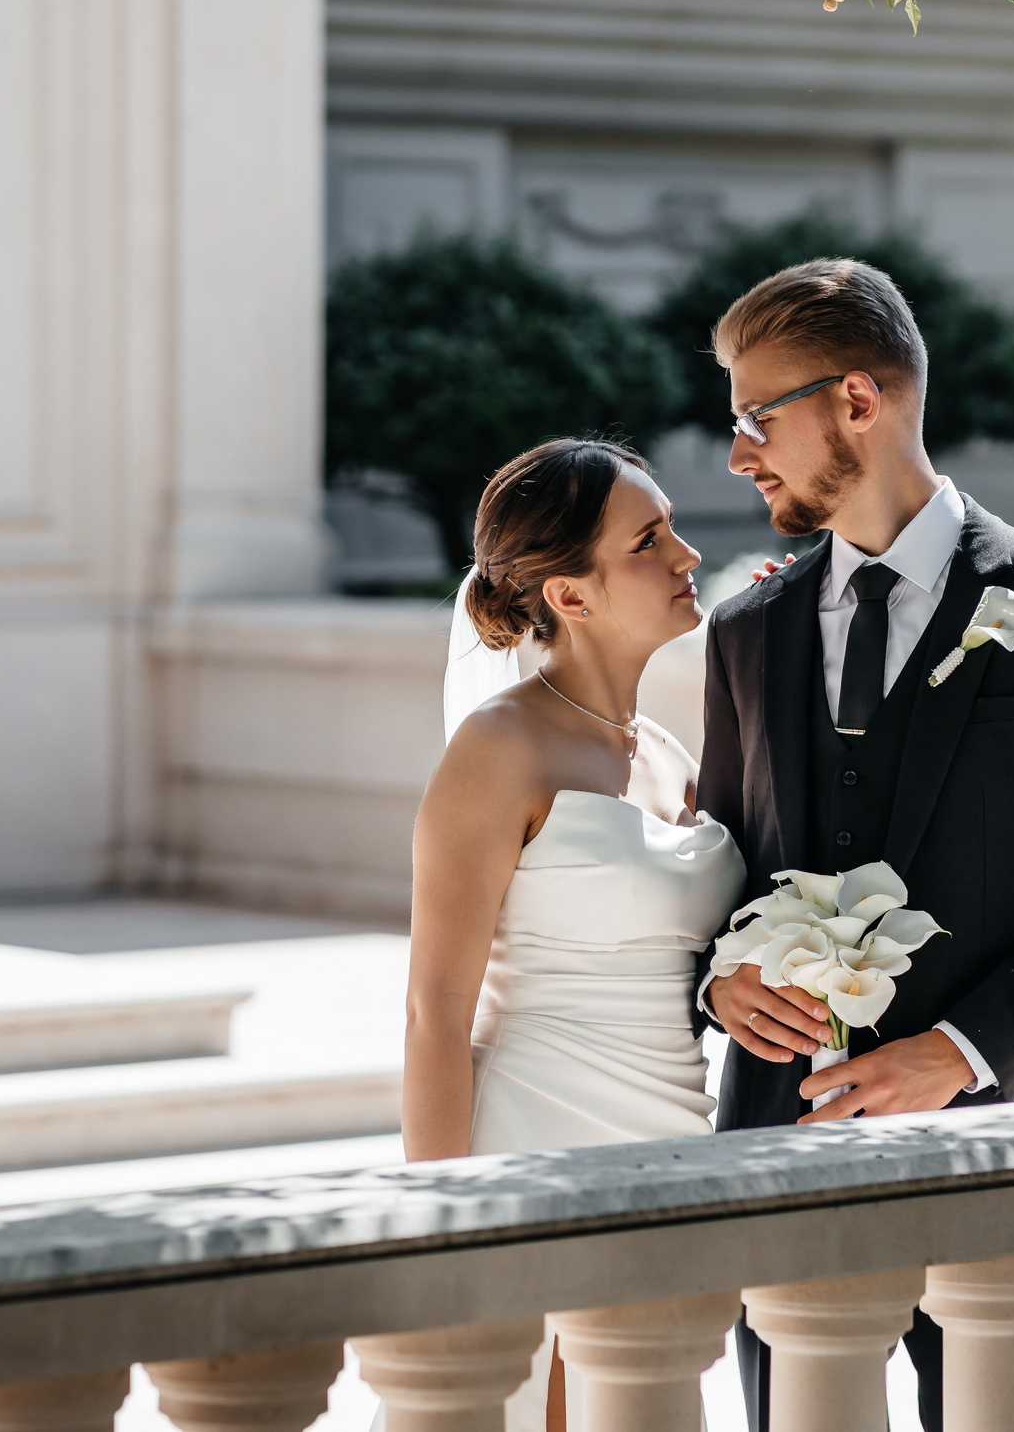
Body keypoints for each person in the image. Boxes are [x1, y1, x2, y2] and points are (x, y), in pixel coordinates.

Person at [697, 259, 1014, 1432]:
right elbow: (716, 862)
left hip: (1001, 1133)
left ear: (857, 402)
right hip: (782, 1133)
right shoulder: (747, 630)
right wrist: (721, 980)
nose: (737, 455)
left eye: (757, 418)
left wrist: (961, 1050)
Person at [408, 437, 744, 1432]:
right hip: (538, 1139)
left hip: (677, 1138)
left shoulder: (670, 755)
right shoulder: (497, 749)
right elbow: (435, 1010)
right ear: (570, 594)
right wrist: (438, 1229)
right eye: (649, 540)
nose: (687, 555)